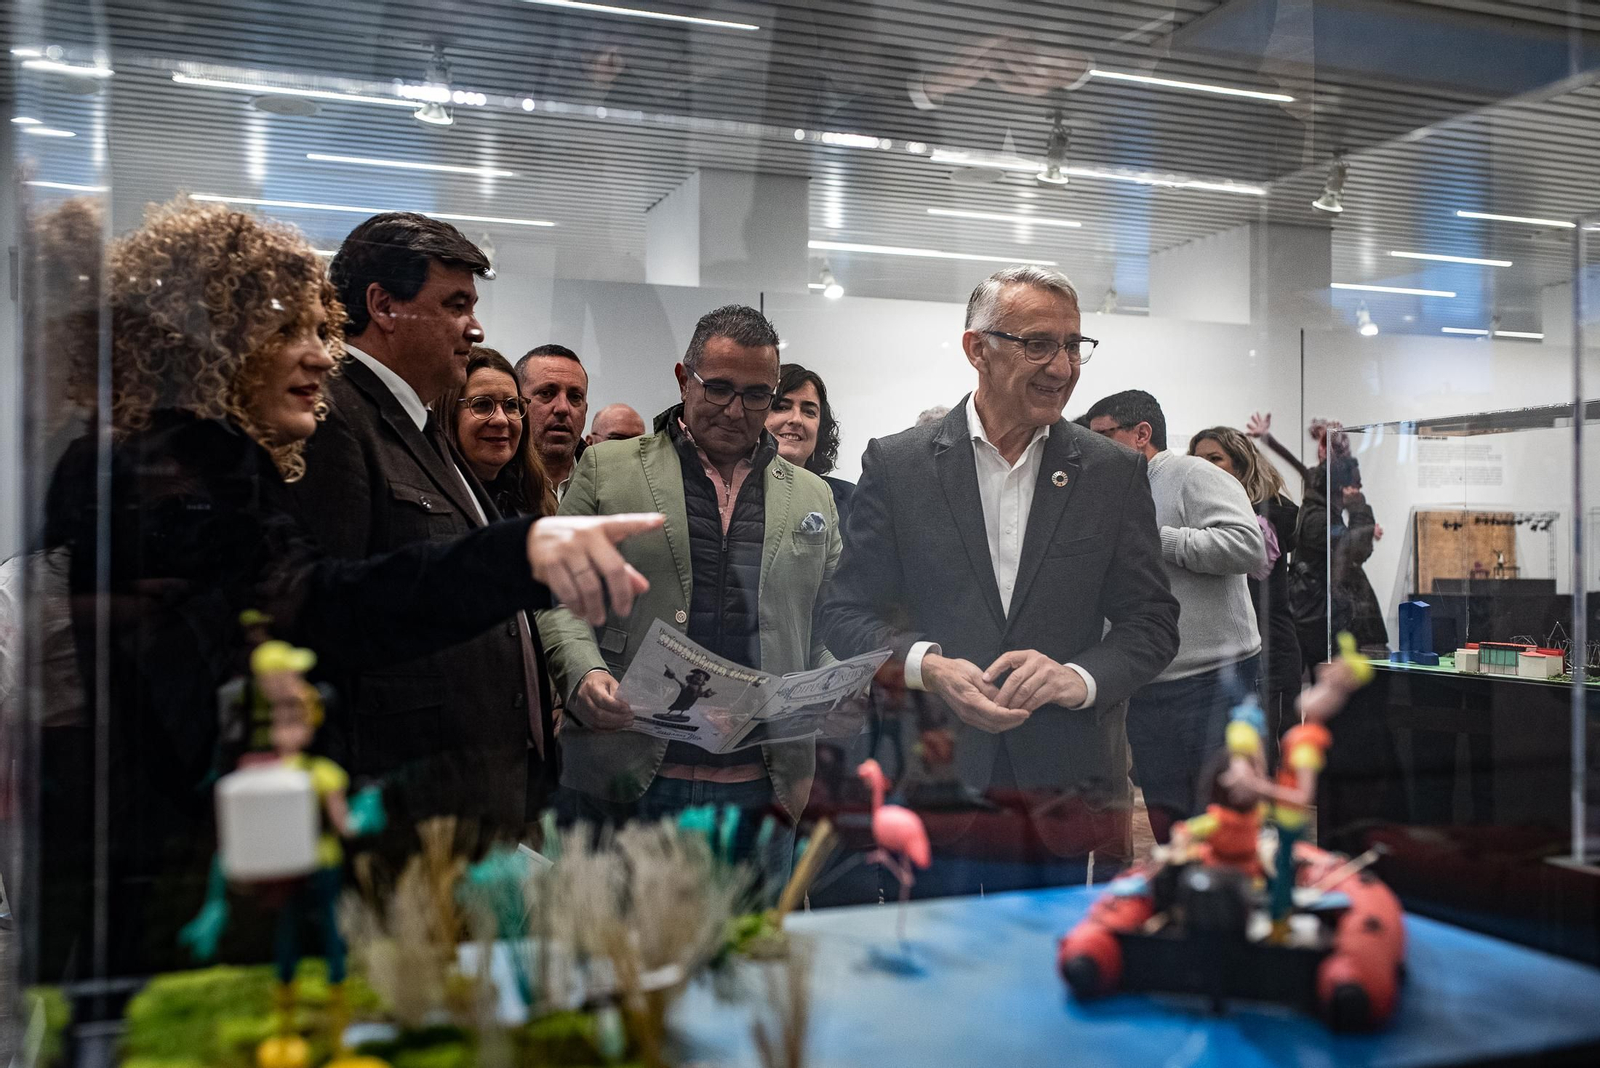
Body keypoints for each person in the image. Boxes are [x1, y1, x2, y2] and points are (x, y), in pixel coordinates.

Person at [37, 198, 661, 978]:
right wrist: (520, 554)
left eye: (318, 330)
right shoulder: (173, 472)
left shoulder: (190, 462)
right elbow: (329, 610)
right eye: (288, 332)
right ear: (218, 338)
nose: (319, 357)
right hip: (191, 875)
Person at [821, 266, 1180, 895]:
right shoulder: (899, 465)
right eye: (1038, 344)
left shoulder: (1111, 473)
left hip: (1058, 791)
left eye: (1073, 346)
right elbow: (845, 613)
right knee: (937, 954)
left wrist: (1077, 677)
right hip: (934, 780)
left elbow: (1152, 623)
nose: (1062, 368)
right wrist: (929, 666)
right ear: (976, 349)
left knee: (1047, 956)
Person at [537, 305, 841, 870]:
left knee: (751, 931)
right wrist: (584, 673)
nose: (735, 410)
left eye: (757, 395)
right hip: (625, 773)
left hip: (764, 786)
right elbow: (558, 598)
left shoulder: (811, 495)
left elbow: (824, 623)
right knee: (610, 930)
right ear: (683, 379)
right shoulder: (606, 469)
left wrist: (837, 683)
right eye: (718, 388)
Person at [286, 214, 551, 836]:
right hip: (402, 802)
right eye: (455, 305)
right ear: (384, 305)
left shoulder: (420, 424)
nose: (475, 328)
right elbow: (330, 621)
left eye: (472, 306)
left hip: (463, 793)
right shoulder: (335, 419)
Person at [1084, 390, 1266, 843]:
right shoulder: (1110, 489)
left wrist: (1158, 540)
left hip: (1214, 680)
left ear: (1141, 433)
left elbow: (1248, 547)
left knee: (1222, 820)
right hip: (1147, 682)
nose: (1093, 447)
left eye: (1104, 435)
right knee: (1169, 819)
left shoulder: (1193, 474)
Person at [1189, 425, 1303, 759]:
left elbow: (1249, 565)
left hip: (1270, 648)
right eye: (1198, 459)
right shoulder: (1209, 512)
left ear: (1239, 466)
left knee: (1265, 751)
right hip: (1229, 651)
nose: (1205, 466)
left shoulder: (1266, 517)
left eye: (1215, 458)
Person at [438, 346, 555, 518]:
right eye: (482, 404)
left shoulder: (537, 498)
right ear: (450, 413)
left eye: (511, 405)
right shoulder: (430, 497)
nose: (501, 419)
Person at [767, 363, 856, 525]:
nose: (796, 419)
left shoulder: (851, 500)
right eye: (782, 407)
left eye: (809, 412)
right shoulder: (730, 496)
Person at [515, 343, 590, 500]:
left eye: (575, 397)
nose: (562, 408)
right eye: (546, 393)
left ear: (585, 411)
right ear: (517, 404)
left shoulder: (606, 484)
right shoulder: (491, 483)